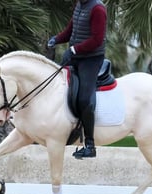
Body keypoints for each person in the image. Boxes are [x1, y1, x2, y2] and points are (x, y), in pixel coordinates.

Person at [47, 0, 107, 159]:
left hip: (91, 59)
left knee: (84, 98)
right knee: (56, 86)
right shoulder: (80, 5)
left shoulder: (98, 9)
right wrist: (57, 39)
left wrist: (73, 49)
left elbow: (97, 40)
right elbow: (71, 31)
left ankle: (90, 145)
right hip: (77, 56)